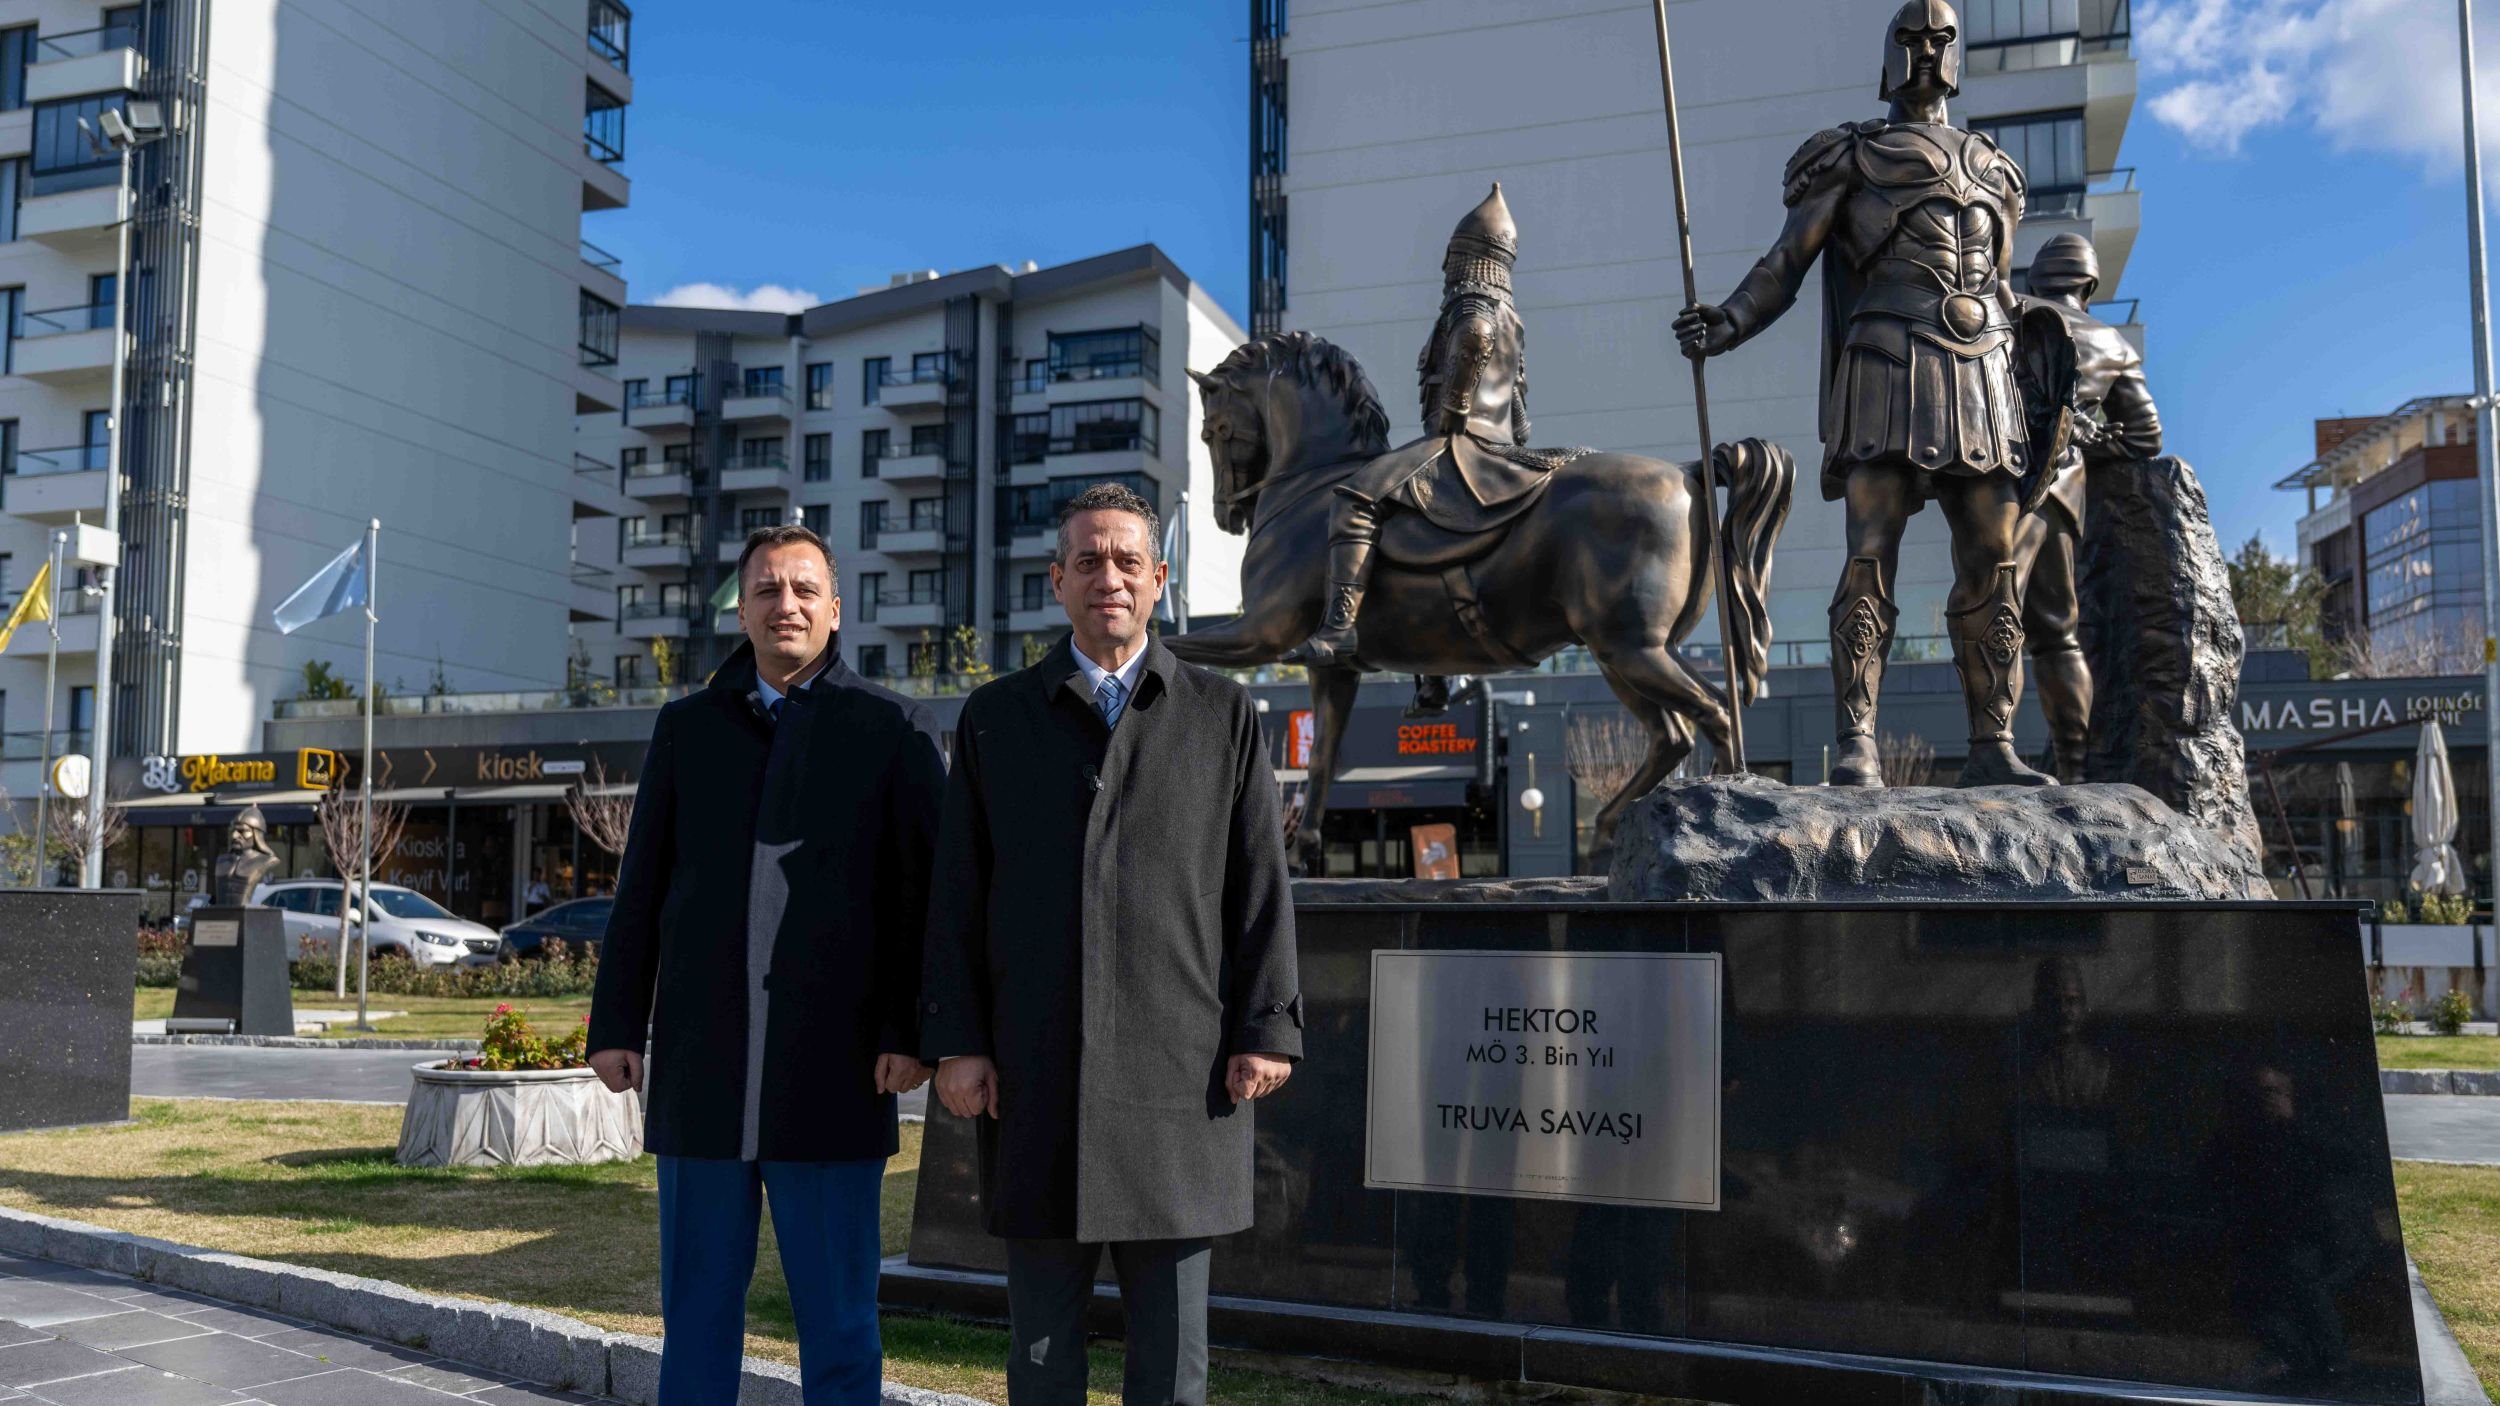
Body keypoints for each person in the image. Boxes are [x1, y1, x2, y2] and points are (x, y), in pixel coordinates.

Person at [922, 482, 1303, 1406]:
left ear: (1159, 577)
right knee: (1042, 1363)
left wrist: (1267, 1027)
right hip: (1036, 1079)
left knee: (1172, 1371)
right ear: (1057, 580)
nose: (1109, 577)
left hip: (1183, 1086)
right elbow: (957, 895)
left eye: (1128, 560)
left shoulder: (1223, 717)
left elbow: (1260, 883)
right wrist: (959, 1040)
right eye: (1088, 560)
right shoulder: (995, 718)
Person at [588, 523, 945, 1405]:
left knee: (841, 1322)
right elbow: (642, 889)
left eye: (802, 589)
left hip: (838, 1069)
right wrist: (615, 1024)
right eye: (765, 591)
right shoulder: (685, 729)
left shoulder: (893, 729)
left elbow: (927, 902)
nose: (784, 604)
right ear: (741, 611)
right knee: (698, 1311)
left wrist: (913, 1034)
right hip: (701, 1068)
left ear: (834, 607)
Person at [1676, 0, 2061, 787]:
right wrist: (1730, 320)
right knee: (1870, 549)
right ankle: (1856, 741)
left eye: (1941, 39)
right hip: (1887, 351)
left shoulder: (1998, 171)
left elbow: (2006, 289)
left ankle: (1994, 746)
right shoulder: (1850, 156)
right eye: (1912, 38)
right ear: (1889, 53)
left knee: (1993, 555)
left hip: (1984, 362)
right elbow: (1787, 262)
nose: (1927, 51)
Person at [2018, 234, 2163, 780]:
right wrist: (2091, 443)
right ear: (2088, 285)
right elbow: (2146, 437)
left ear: (2037, 280)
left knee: (1990, 609)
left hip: (1991, 482)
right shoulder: (2113, 343)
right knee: (2055, 631)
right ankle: (2075, 771)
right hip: (2058, 489)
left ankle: (1993, 748)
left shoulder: (2007, 317)